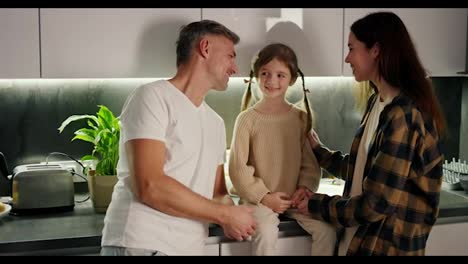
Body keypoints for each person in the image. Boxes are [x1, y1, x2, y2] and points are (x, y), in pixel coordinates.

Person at [100, 20, 256, 256]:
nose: (235, 68)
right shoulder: (152, 97)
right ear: (205, 48)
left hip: (188, 248)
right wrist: (224, 215)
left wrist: (242, 215)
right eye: (230, 56)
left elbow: (218, 193)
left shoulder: (215, 122)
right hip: (140, 244)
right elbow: (150, 185)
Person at [297, 11, 445, 256]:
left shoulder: (404, 116)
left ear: (375, 50)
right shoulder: (378, 102)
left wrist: (314, 204)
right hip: (359, 243)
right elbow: (366, 172)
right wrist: (319, 152)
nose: (347, 58)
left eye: (352, 48)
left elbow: (375, 204)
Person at [229, 43, 336, 256]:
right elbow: (238, 169)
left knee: (327, 230)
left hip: (293, 200)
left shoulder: (299, 118)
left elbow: (309, 165)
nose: (272, 81)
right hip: (259, 201)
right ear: (256, 76)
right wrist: (265, 197)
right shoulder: (246, 120)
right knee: (266, 234)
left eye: (280, 75)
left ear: (292, 79)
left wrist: (303, 189)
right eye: (265, 74)